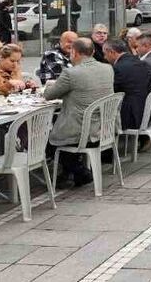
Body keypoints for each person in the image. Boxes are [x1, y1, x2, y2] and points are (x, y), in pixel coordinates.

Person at [44, 38, 116, 187]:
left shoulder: (71, 73)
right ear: (93, 52)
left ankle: (79, 171)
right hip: (103, 127)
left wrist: (50, 84)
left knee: (48, 141)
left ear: (74, 52)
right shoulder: (107, 68)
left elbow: (49, 95)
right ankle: (73, 172)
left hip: (80, 130)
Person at [104, 39, 151, 130]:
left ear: (111, 52)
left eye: (105, 54)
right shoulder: (140, 62)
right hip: (145, 109)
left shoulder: (118, 68)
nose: (105, 57)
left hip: (130, 116)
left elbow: (111, 91)